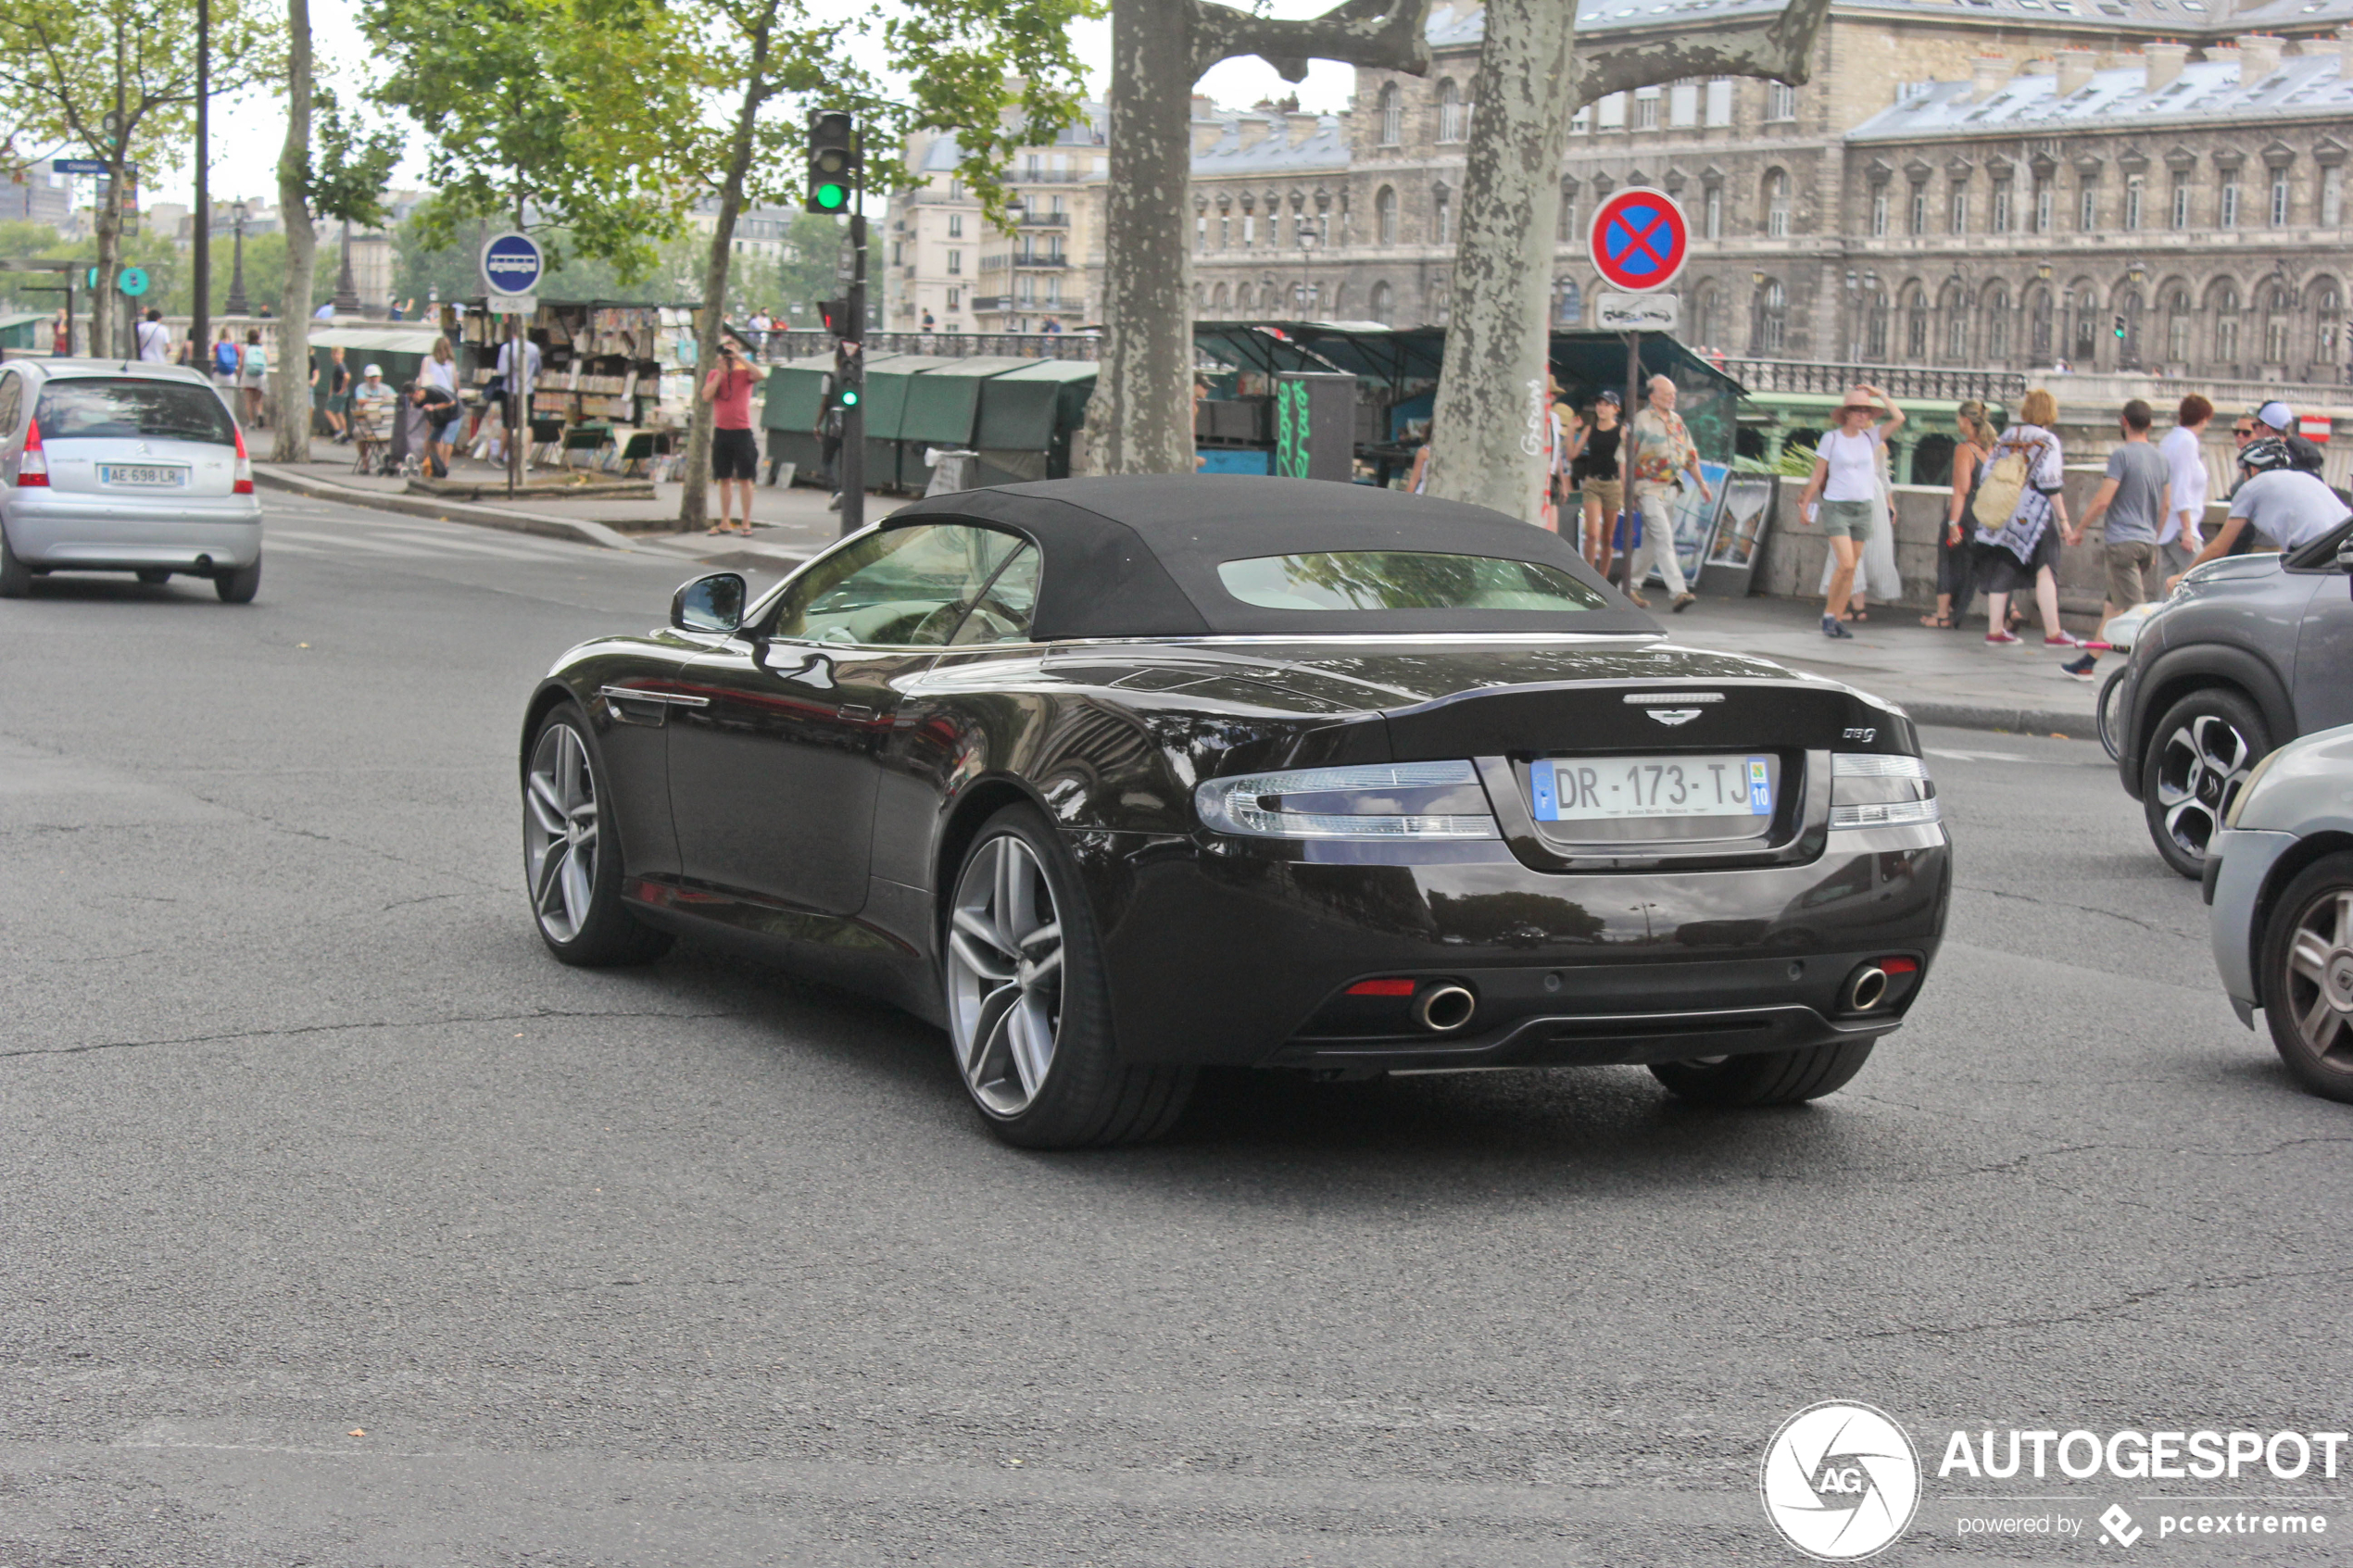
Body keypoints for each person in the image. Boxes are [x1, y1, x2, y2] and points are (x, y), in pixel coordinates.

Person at [2058, 399, 2171, 682]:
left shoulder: (2122, 456)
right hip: (2146, 543)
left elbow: (2103, 500)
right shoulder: (2161, 459)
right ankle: (2087, 663)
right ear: (2150, 424)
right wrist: (2153, 541)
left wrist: (2080, 529)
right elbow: (2166, 506)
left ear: (2123, 421)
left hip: (2122, 543)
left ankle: (2151, 674)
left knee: (2137, 617)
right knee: (2113, 608)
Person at [1795, 384, 1904, 639]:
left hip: (1863, 506)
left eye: (1866, 411)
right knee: (1844, 563)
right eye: (1857, 411)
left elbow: (1899, 418)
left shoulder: (1871, 437)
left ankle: (1835, 616)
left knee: (1851, 567)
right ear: (1846, 413)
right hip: (1837, 506)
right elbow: (1818, 475)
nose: (1862, 416)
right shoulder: (1831, 438)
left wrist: (1881, 395)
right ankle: (1829, 615)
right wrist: (1805, 504)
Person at [2169, 437, 2351, 584]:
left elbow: (2219, 548)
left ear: (2253, 469)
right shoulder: (2305, 477)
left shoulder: (2252, 487)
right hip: (2343, 549)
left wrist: (2183, 576)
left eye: (2244, 471)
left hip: (2317, 556)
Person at [1974, 387, 2075, 649]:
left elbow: (1986, 475)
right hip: (2035, 516)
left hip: (2004, 511)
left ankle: (1995, 630)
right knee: (2045, 570)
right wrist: (2064, 522)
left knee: (2004, 565)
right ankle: (2053, 632)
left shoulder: (2007, 436)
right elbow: (2051, 484)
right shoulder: (2048, 441)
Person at [1626, 374, 1711, 611]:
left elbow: (1690, 456)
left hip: (1672, 489)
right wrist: (1628, 491)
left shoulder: (1677, 422)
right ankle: (1679, 592)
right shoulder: (1640, 421)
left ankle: (1628, 586)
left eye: (1674, 394)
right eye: (1666, 394)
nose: (1672, 398)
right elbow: (1625, 457)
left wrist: (1702, 483)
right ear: (1653, 397)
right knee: (1664, 539)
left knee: (1653, 543)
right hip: (1647, 489)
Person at [1922, 399, 1995, 629]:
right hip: (1985, 513)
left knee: (1949, 559)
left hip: (1965, 514)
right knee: (1983, 564)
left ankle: (1943, 614)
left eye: (1958, 419)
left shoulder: (1965, 450)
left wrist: (1953, 523)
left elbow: (1961, 490)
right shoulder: (1992, 448)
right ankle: (2010, 611)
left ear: (1965, 421)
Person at [700, 336, 768, 535]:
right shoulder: (714, 374)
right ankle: (725, 521)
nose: (727, 357)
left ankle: (746, 522)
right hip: (722, 431)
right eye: (725, 353)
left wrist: (739, 358)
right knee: (724, 478)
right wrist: (720, 375)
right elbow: (706, 396)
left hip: (742, 431)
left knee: (746, 478)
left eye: (731, 353)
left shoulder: (744, 374)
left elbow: (760, 375)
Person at [2157, 394, 2212, 578]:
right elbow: (2181, 487)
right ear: (2203, 420)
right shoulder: (2187, 441)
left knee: (2168, 590)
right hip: (2180, 528)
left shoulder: (2169, 439)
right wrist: (2187, 529)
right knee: (2201, 579)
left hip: (2168, 527)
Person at [1571, 389, 1623, 580]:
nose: (1601, 408)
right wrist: (1570, 431)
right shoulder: (1590, 429)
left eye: (1606, 405)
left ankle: (1602, 578)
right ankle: (1587, 577)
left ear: (1615, 409)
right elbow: (1572, 454)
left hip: (1613, 484)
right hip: (1593, 482)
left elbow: (1627, 458)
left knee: (1608, 538)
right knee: (1592, 534)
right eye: (1599, 404)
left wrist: (1626, 488)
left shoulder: (1621, 431)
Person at [409, 380, 460, 478]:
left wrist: (434, 406)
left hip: (454, 414)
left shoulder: (433, 391)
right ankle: (437, 464)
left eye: (412, 398)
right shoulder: (418, 402)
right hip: (440, 417)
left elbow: (452, 402)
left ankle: (445, 466)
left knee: (448, 439)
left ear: (417, 393)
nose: (413, 402)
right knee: (433, 439)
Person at [238, 330, 269, 428]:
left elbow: (241, 363)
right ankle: (259, 413)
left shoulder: (245, 348)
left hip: (248, 376)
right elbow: (268, 360)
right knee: (259, 399)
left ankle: (251, 422)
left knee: (249, 400)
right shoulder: (263, 348)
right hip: (260, 375)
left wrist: (239, 374)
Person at [322, 346, 352, 443]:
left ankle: (338, 431)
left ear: (342, 355)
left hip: (339, 393)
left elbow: (347, 377)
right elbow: (333, 380)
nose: (336, 356)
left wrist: (342, 389)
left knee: (328, 411)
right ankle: (345, 435)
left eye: (338, 354)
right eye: (334, 354)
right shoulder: (338, 366)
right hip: (339, 392)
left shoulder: (340, 366)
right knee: (339, 413)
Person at [211, 328, 243, 393]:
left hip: (218, 374)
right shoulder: (235, 346)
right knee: (230, 397)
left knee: (218, 395)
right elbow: (239, 362)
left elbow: (212, 360)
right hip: (231, 374)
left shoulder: (217, 346)